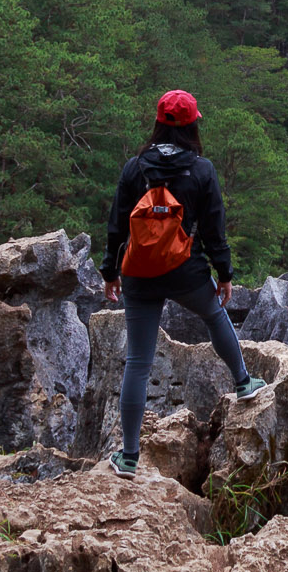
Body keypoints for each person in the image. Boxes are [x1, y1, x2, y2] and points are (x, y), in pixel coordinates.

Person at [103, 88, 267, 475]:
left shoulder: (135, 167)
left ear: (159, 122)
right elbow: (213, 229)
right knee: (214, 315)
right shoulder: (201, 170)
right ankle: (244, 383)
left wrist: (110, 271)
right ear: (192, 125)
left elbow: (115, 226)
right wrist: (224, 274)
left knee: (138, 361)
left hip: (138, 273)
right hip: (185, 271)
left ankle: (128, 456)